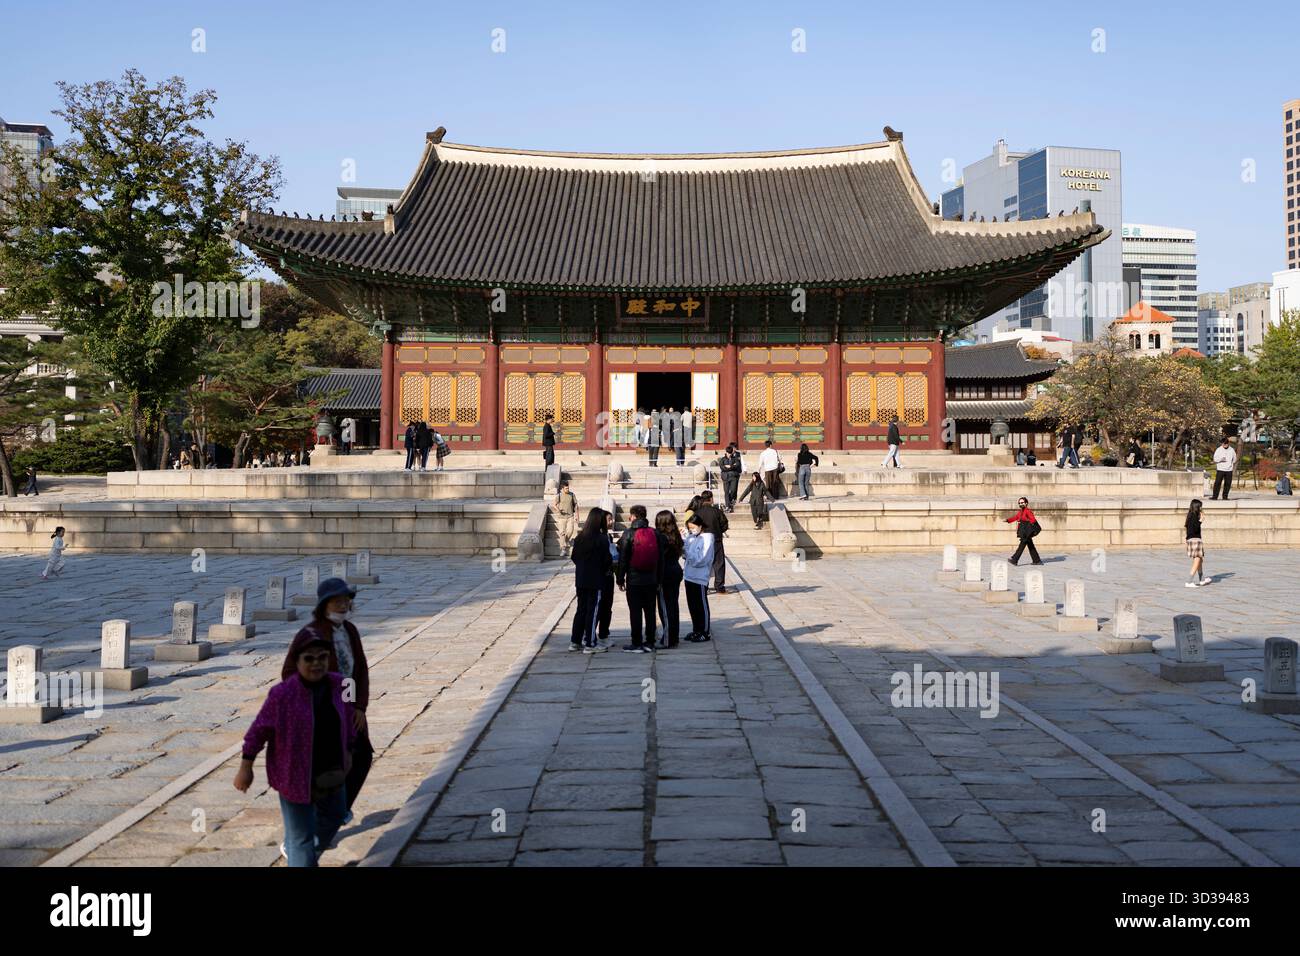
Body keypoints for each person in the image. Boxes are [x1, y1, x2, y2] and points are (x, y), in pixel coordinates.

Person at [238, 629, 355, 868]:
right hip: (294, 776)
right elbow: (258, 731)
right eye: (309, 658)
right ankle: (300, 853)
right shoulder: (283, 695)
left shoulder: (338, 685)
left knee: (335, 815)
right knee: (301, 840)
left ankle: (297, 849)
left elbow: (348, 719)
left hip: (332, 771)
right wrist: (245, 767)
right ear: (297, 660)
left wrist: (349, 751)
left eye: (322, 657)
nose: (316, 664)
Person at [282, 577, 372, 819]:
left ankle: (339, 811)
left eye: (345, 601)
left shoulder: (349, 630)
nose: (343, 606)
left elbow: (359, 670)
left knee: (361, 756)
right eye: (336, 601)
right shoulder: (311, 633)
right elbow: (289, 672)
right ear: (324, 605)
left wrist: (358, 706)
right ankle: (312, 823)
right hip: (323, 710)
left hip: (348, 707)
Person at [615, 504, 665, 653]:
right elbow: (661, 559)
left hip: (634, 580)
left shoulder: (628, 534)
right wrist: (659, 579)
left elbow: (623, 559)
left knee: (635, 611)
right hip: (651, 579)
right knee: (650, 611)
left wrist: (620, 578)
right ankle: (650, 641)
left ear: (634, 516)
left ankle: (636, 642)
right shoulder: (655, 533)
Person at [569, 508, 614, 653]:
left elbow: (574, 557)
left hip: (581, 579)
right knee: (593, 610)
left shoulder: (580, 538)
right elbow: (607, 560)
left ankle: (575, 641)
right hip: (596, 580)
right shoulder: (601, 539)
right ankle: (590, 643)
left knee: (581, 609)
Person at [682, 514, 715, 642]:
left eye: (693, 527)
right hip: (689, 575)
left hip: (700, 577)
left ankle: (705, 631)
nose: (692, 530)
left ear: (700, 525)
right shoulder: (692, 537)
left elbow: (701, 559)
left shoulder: (707, 538)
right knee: (693, 605)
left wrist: (688, 553)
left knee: (701, 605)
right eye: (690, 528)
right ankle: (696, 629)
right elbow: (686, 552)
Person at [655, 510, 684, 649]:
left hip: (665, 573)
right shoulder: (676, 535)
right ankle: (674, 636)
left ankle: (668, 639)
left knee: (665, 607)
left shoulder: (660, 537)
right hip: (675, 570)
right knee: (673, 605)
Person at [694, 489, 729, 593]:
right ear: (711, 499)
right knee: (719, 563)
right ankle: (719, 586)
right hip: (716, 540)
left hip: (702, 541)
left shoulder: (697, 513)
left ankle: (703, 586)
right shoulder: (717, 511)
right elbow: (725, 525)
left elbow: (693, 527)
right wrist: (718, 531)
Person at [1005, 496, 1043, 566]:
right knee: (1030, 546)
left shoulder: (1028, 511)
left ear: (1026, 503)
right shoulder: (1021, 512)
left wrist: (1034, 528)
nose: (1020, 504)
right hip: (1024, 531)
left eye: (1022, 502)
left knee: (1021, 546)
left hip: (1026, 532)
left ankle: (1014, 560)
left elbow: (1033, 520)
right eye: (1019, 503)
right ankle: (1037, 560)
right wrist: (1008, 520)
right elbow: (1016, 517)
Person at [1184, 498, 1209, 587]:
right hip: (1195, 540)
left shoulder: (1190, 516)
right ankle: (1189, 581)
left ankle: (1202, 579)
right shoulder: (1194, 516)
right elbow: (1195, 529)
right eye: (1200, 507)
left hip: (1191, 540)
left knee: (1200, 559)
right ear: (1197, 507)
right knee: (1198, 559)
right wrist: (1201, 520)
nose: (1201, 509)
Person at [553, 480, 579, 557]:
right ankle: (563, 549)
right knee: (562, 533)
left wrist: (577, 515)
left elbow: (576, 505)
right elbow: (554, 504)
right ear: (562, 489)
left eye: (568, 488)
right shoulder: (559, 496)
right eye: (566, 488)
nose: (568, 489)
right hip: (561, 518)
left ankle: (566, 541)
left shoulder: (572, 495)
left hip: (570, 516)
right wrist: (558, 510)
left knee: (570, 531)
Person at [719, 443, 743, 512]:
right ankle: (727, 506)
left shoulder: (735, 458)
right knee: (726, 492)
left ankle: (729, 502)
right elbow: (722, 467)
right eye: (728, 453)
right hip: (725, 477)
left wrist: (729, 466)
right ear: (726, 452)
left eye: (730, 453)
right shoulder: (722, 459)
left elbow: (737, 465)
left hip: (733, 477)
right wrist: (732, 467)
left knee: (733, 490)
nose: (729, 454)